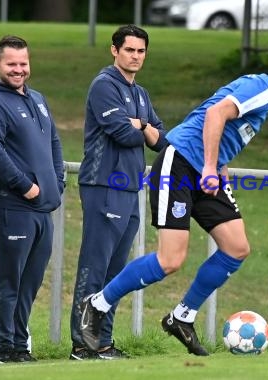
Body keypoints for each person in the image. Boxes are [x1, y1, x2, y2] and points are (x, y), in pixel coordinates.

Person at [78, 43, 268, 356]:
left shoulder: (265, 97)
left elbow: (224, 130)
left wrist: (220, 171)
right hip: (179, 164)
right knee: (171, 260)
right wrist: (209, 166)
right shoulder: (260, 87)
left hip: (205, 170)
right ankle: (97, 304)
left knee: (236, 248)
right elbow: (215, 114)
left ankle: (182, 317)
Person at [69, 24, 167, 360]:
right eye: (129, 50)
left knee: (116, 274)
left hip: (130, 188)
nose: (135, 56)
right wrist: (142, 127)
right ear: (115, 50)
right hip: (103, 186)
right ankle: (82, 345)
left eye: (141, 51)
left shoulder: (141, 94)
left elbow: (162, 139)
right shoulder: (104, 86)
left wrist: (139, 125)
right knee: (95, 267)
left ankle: (104, 343)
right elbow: (123, 134)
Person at [0, 35, 65, 363]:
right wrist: (25, 185)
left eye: (23, 63)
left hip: (41, 207)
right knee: (10, 278)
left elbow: (53, 141)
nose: (18, 69)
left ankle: (19, 344)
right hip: (11, 204)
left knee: (30, 281)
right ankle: (4, 348)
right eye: (11, 63)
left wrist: (57, 181)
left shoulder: (36, 98)